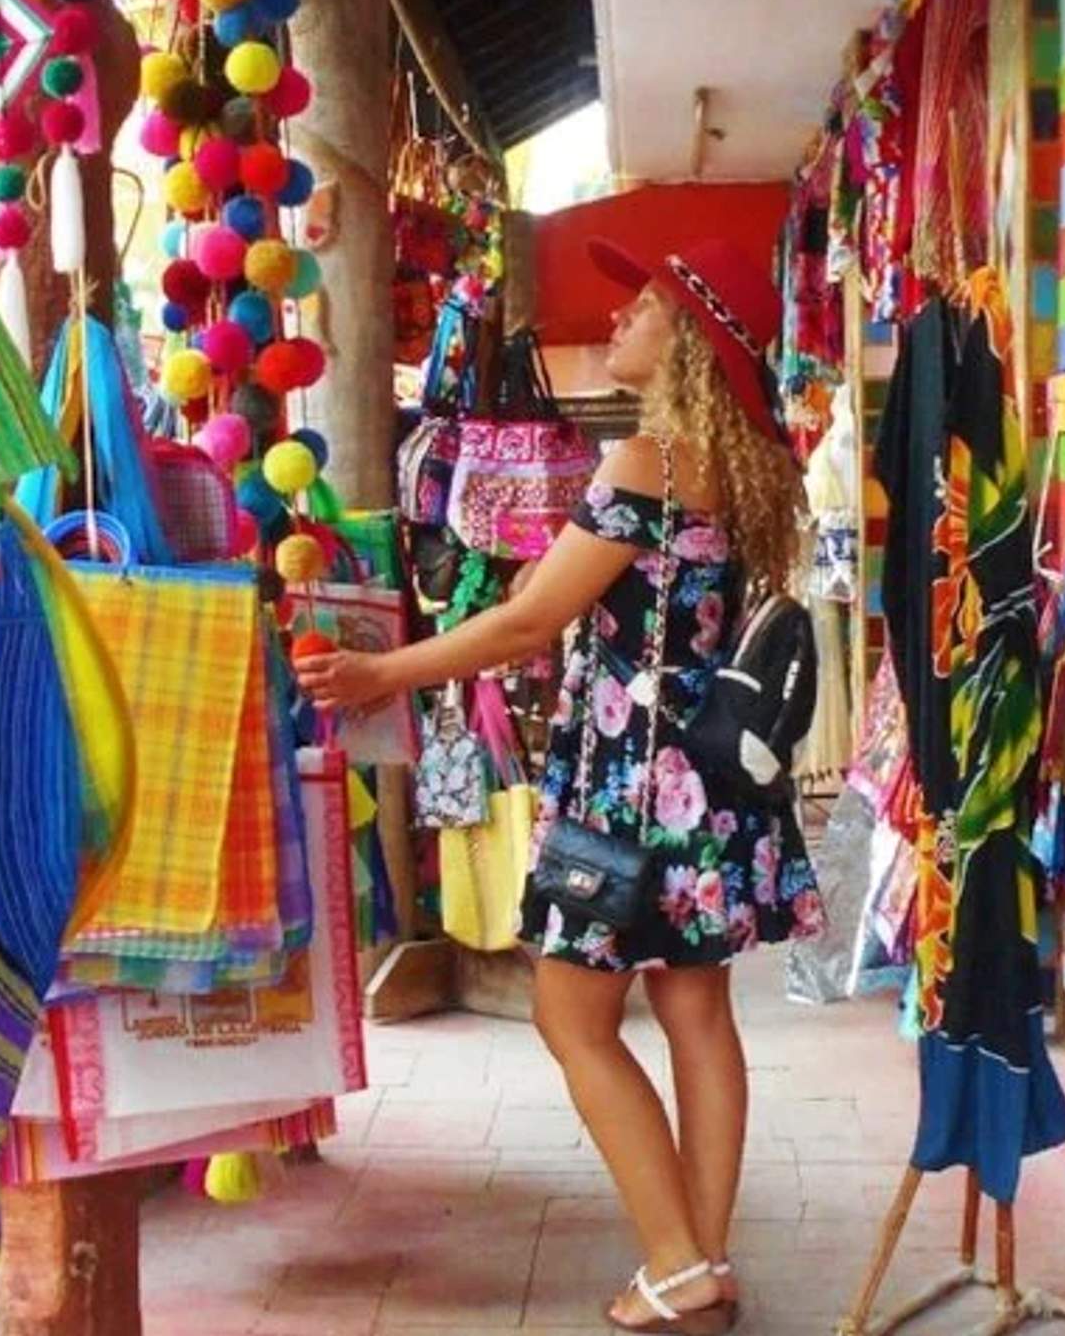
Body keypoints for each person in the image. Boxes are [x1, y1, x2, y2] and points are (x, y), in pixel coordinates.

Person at [296, 237, 825, 1334]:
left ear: (682, 341)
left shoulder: (644, 462)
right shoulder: (747, 471)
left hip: (630, 792)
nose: (621, 322)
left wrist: (377, 672)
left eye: (641, 310)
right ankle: (700, 1268)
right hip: (715, 791)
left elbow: (533, 618)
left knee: (570, 1014)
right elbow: (559, 591)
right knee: (696, 1014)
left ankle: (678, 1263)